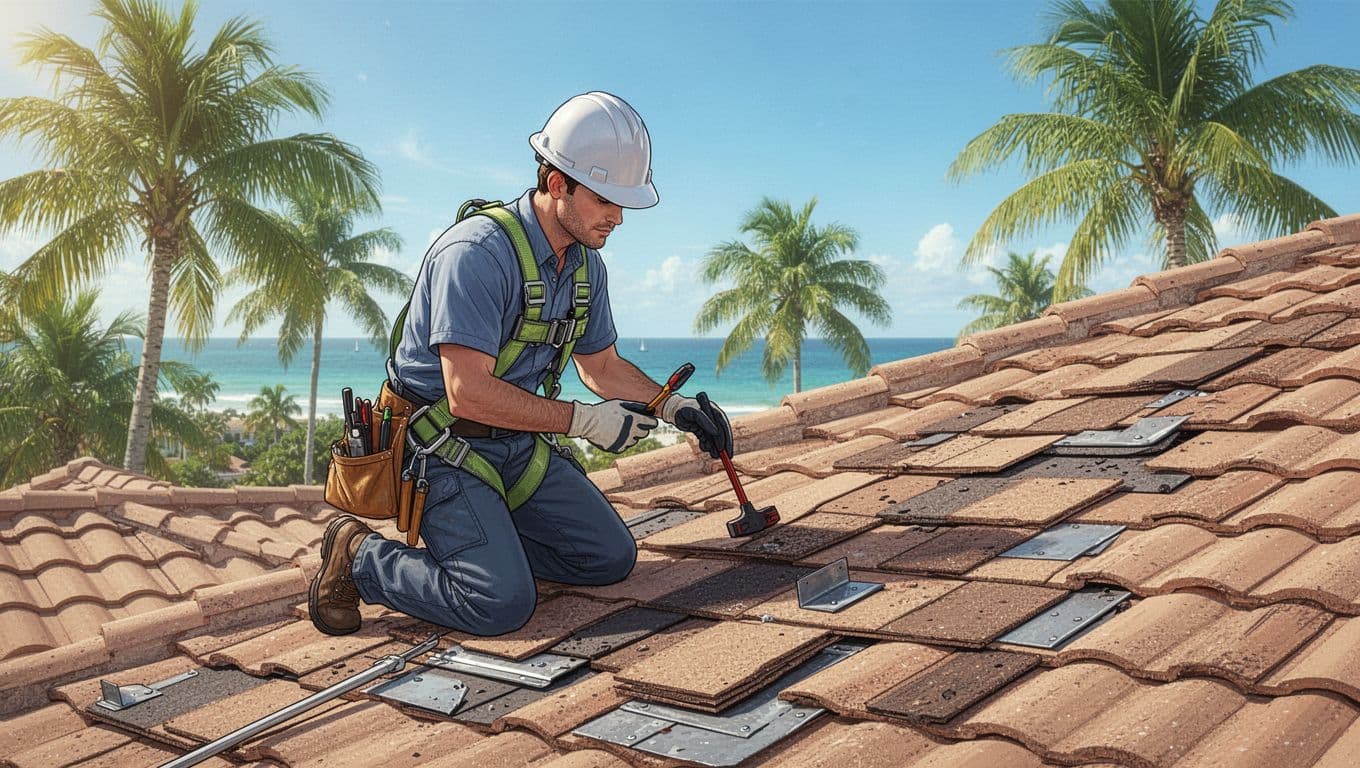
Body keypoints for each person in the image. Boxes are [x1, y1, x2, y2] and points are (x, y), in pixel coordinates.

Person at [309, 92, 734, 637]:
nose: (618, 218)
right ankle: (363, 558)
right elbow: (467, 394)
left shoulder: (585, 267)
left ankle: (493, 547)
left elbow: (600, 366)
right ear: (558, 184)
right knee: (499, 605)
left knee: (609, 560)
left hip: (519, 446)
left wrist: (675, 409)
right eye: (607, 200)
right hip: (443, 449)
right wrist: (583, 421)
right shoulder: (476, 254)